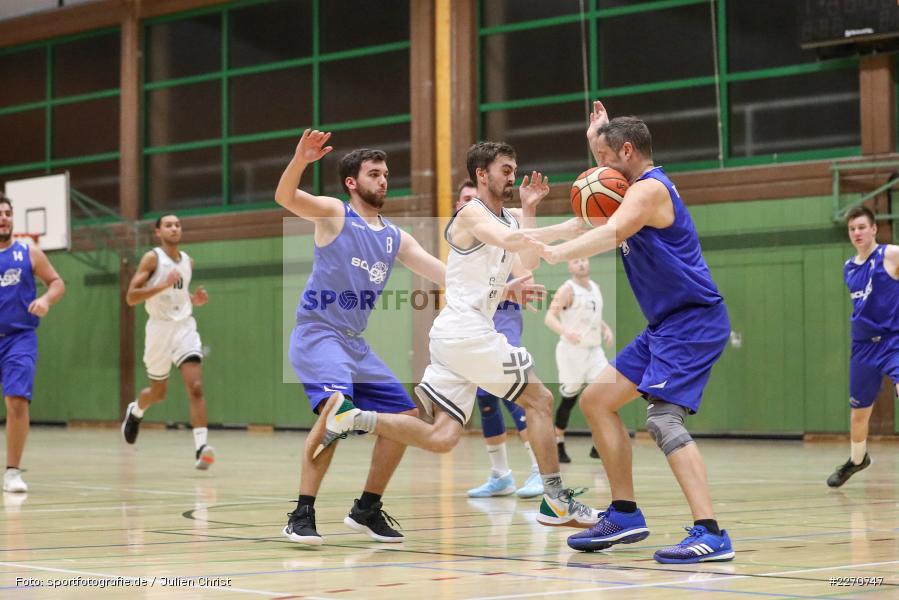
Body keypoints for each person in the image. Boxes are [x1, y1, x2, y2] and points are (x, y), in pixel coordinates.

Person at [310, 141, 599, 529]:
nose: (512, 176)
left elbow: (525, 261)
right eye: (505, 169)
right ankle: (556, 499)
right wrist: (565, 228)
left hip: (457, 336)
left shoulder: (508, 221)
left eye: (514, 168)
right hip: (469, 332)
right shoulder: (469, 213)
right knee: (542, 400)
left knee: (443, 436)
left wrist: (530, 211)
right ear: (482, 174)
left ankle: (355, 418)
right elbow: (515, 244)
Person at [540, 101, 735, 563]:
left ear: (627, 152)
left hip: (693, 319)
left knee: (663, 419)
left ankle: (711, 532)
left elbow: (613, 231)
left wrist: (554, 255)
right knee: (596, 400)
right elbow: (605, 198)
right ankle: (625, 513)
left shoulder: (648, 190)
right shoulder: (629, 183)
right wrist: (595, 141)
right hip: (665, 325)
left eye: (605, 159)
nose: (598, 169)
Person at [275, 129, 446, 546]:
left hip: (354, 342)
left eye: (385, 174)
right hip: (319, 334)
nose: (383, 180)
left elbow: (442, 273)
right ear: (352, 183)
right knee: (336, 410)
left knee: (404, 421)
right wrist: (300, 161)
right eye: (373, 174)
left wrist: (504, 284)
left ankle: (366, 509)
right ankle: (301, 514)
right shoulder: (335, 214)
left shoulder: (394, 237)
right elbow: (286, 197)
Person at [456, 180, 542, 499]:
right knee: (485, 396)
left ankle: (538, 469)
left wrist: (527, 207)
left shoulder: (502, 236)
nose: (467, 203)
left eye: (472, 198)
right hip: (473, 321)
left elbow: (525, 274)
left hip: (502, 316)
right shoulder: (460, 239)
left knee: (512, 387)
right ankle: (501, 475)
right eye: (463, 199)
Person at [121, 214, 214, 470]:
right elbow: (131, 297)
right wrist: (163, 284)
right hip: (158, 331)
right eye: (168, 225)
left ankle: (201, 448)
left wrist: (195, 300)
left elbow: (180, 295)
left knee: (195, 386)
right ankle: (136, 411)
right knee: (158, 393)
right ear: (158, 232)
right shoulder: (152, 258)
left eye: (178, 224)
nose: (174, 228)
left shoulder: (187, 261)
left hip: (184, 327)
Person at [829, 205, 899, 487]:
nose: (857, 232)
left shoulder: (891, 254)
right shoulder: (849, 267)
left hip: (893, 341)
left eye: (861, 227)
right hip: (862, 348)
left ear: (874, 229)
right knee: (859, 414)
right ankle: (858, 460)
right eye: (852, 228)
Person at [0, 192, 65, 493]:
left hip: (19, 338)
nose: (3, 218)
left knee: (17, 401)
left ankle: (12, 471)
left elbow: (57, 282)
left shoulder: (29, 252)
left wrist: (45, 300)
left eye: (7, 213)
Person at [544, 257, 613, 463]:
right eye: (576, 261)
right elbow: (549, 317)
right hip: (572, 352)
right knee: (569, 398)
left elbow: (593, 316)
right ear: (569, 266)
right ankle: (558, 443)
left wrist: (605, 328)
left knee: (602, 394)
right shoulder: (567, 289)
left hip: (594, 351)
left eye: (583, 260)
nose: (581, 264)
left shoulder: (595, 287)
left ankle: (598, 445)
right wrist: (566, 332)